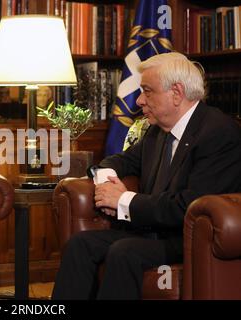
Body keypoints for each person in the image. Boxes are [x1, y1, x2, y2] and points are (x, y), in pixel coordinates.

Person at [51, 52, 241, 300]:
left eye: (147, 91)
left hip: (187, 238)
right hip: (150, 231)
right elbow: (121, 160)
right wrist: (106, 182)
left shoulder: (218, 132)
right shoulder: (158, 131)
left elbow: (189, 205)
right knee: (80, 245)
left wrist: (123, 200)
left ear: (176, 93)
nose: (139, 100)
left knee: (124, 251)